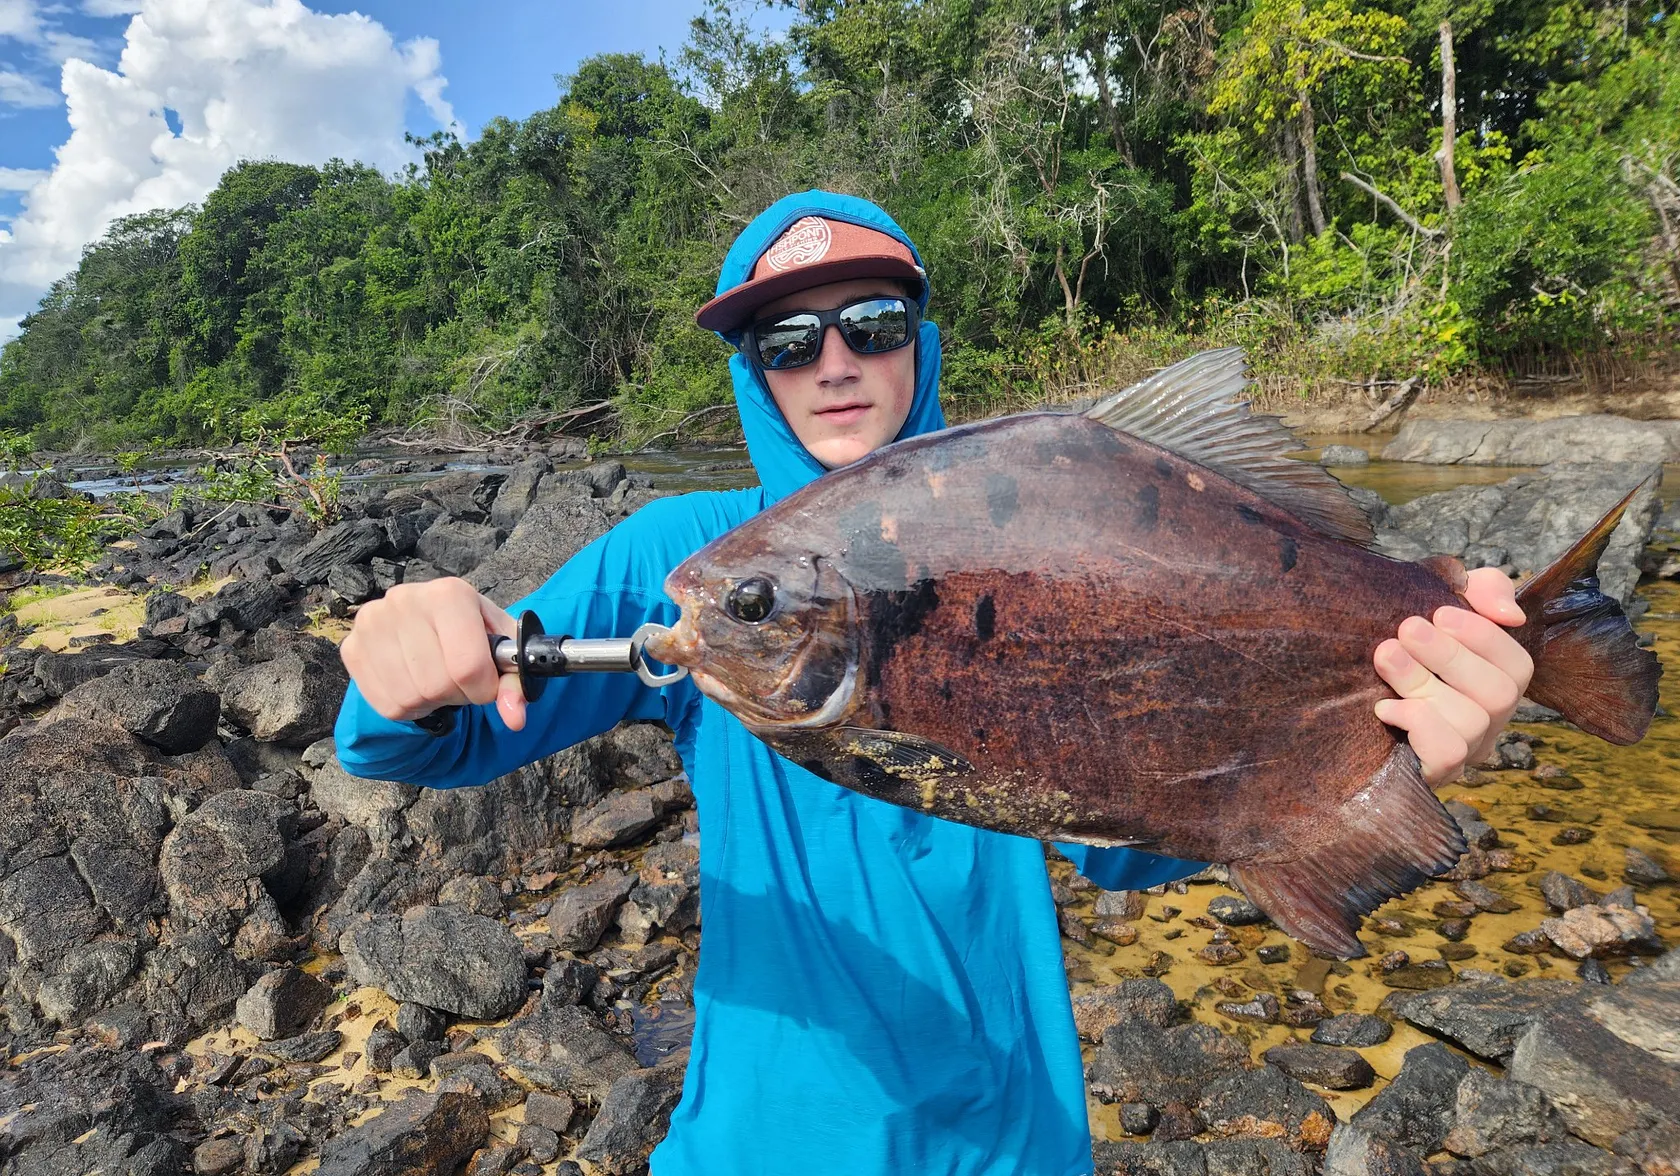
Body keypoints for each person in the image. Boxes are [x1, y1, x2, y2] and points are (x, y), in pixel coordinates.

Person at [335, 191, 1534, 1175]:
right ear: (754, 370)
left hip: (1017, 1144)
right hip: (761, 1148)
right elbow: (414, 749)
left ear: (923, 337)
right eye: (791, 342)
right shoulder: (684, 563)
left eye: (873, 323)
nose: (837, 363)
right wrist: (399, 661)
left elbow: (1128, 842)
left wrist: (1393, 748)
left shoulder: (1037, 524)